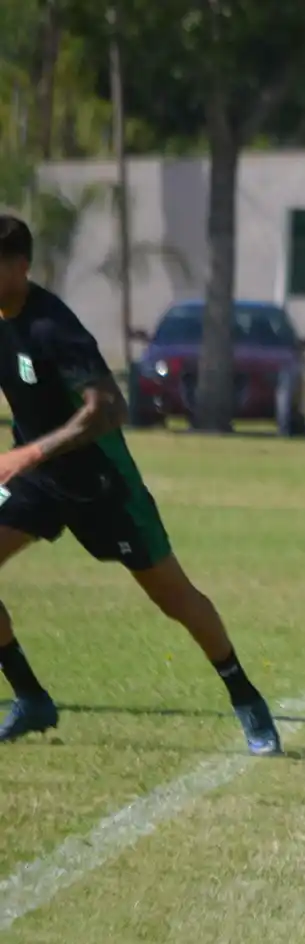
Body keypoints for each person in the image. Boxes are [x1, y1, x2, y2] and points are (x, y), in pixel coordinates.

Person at [0, 215, 281, 754]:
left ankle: (244, 694)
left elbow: (110, 407)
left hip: (100, 483)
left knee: (173, 596)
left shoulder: (52, 326)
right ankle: (30, 696)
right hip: (37, 478)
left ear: (19, 266)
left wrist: (30, 451)